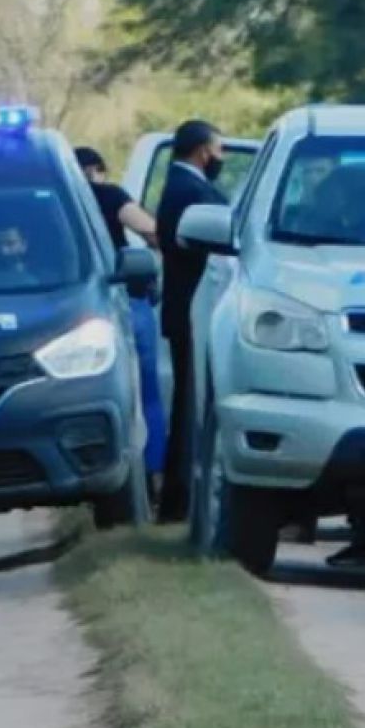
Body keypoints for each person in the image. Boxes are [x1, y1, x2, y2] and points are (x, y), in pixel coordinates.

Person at [75, 146, 167, 494]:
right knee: (148, 394)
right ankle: (153, 476)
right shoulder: (109, 195)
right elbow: (151, 230)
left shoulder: (57, 202)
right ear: (97, 169)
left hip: (82, 307)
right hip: (125, 299)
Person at [155, 119, 230, 523]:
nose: (220, 158)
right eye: (219, 149)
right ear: (203, 150)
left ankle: (180, 498)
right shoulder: (191, 193)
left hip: (189, 312)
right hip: (194, 313)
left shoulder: (180, 187)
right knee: (191, 410)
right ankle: (180, 499)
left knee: (190, 407)